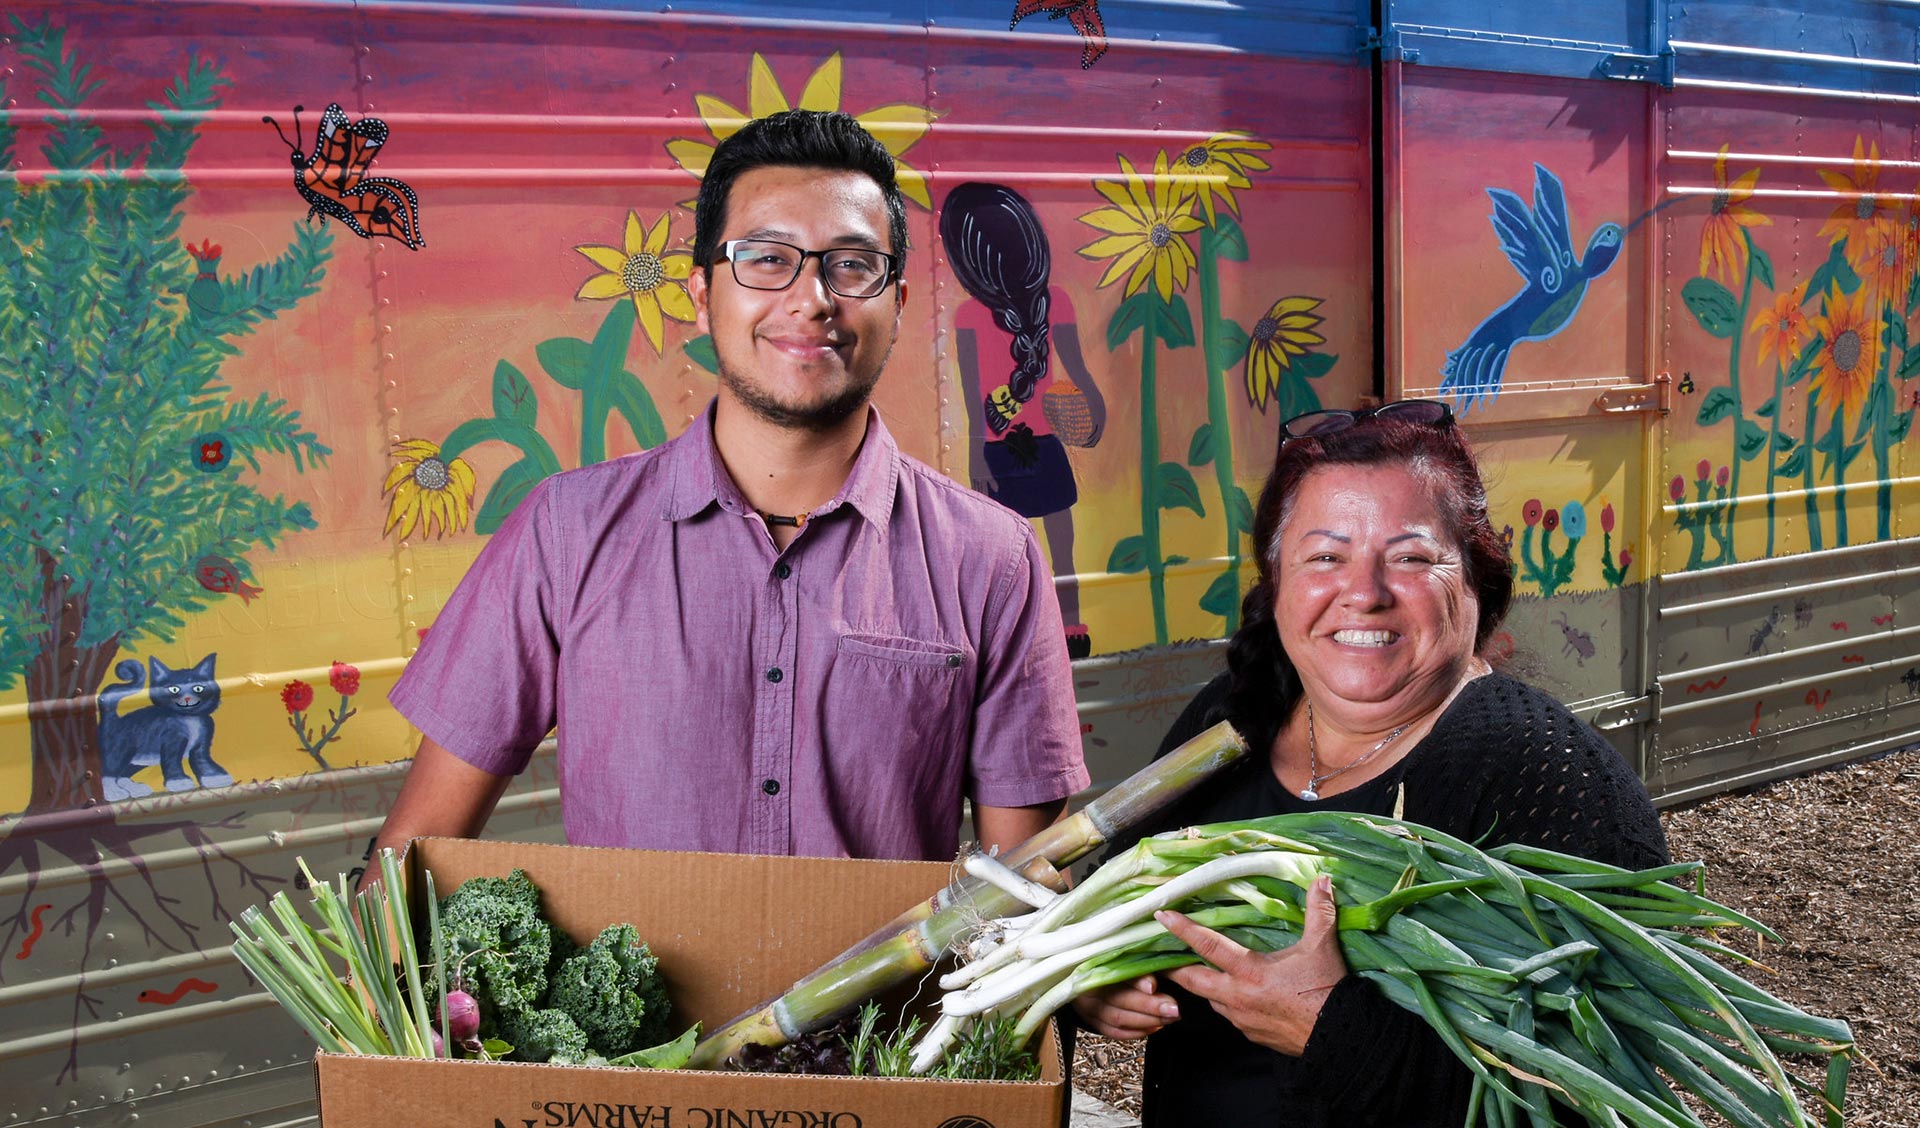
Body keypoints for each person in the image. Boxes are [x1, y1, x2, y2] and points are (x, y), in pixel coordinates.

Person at [370, 110, 1088, 865]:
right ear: (701, 290)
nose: (812, 298)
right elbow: (408, 861)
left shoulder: (991, 557)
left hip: (897, 991)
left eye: (851, 265)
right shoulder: (566, 531)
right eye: (766, 259)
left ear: (898, 304)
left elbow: (1024, 907)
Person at [1069, 399, 1669, 1126]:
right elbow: (1111, 891)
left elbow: (1610, 1096)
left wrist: (1336, 1034)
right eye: (1325, 556)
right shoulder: (1235, 716)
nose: (1364, 593)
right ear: (1277, 579)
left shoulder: (1553, 780)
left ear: (1475, 580)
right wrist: (1095, 970)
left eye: (1411, 557)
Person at [941, 181, 1108, 659]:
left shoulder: (973, 314)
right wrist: (1094, 405)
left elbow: (979, 398)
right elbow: (1074, 371)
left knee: (1025, 551)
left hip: (1012, 448)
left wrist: (977, 454)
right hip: (1031, 447)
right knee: (1052, 547)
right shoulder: (1042, 304)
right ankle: (1055, 626)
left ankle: (1063, 625)